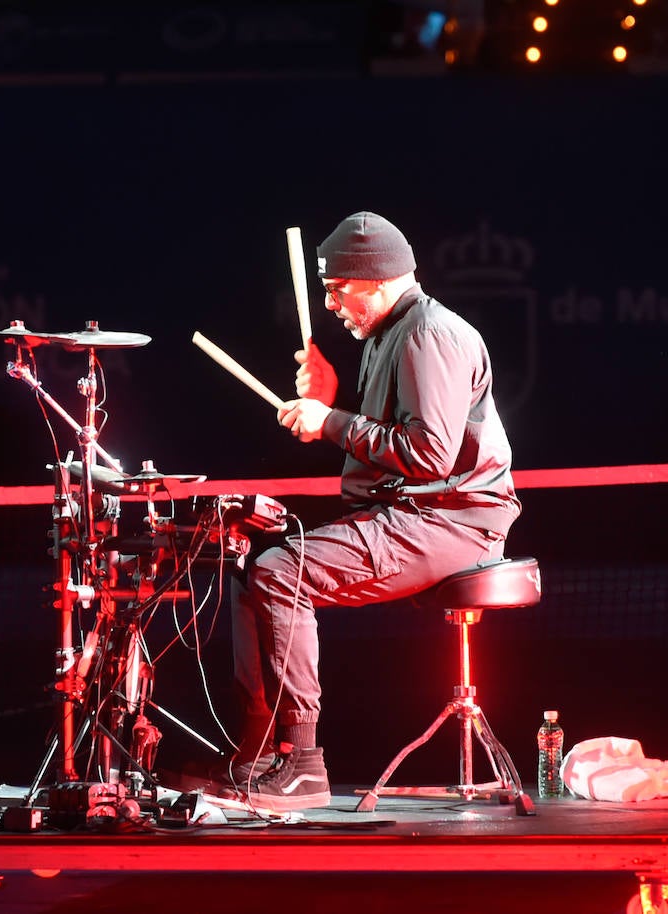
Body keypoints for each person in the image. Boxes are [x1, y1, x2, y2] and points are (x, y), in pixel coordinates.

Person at [219, 211, 523, 811]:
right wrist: (331, 398)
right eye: (326, 290)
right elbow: (396, 435)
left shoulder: (427, 335)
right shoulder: (391, 333)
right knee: (251, 569)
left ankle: (303, 764)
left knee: (282, 572)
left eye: (338, 290)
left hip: (452, 521)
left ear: (377, 281)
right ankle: (256, 756)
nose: (330, 303)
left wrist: (330, 423)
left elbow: (430, 454)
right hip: (419, 514)